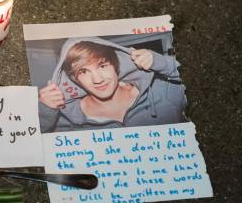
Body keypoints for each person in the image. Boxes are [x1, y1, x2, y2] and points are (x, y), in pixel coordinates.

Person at [38, 37, 187, 133]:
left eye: (102, 66)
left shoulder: (161, 92)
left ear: (115, 65)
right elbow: (32, 148)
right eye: (83, 71)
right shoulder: (67, 120)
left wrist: (164, 64)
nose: (97, 80)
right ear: (75, 79)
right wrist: (45, 112)